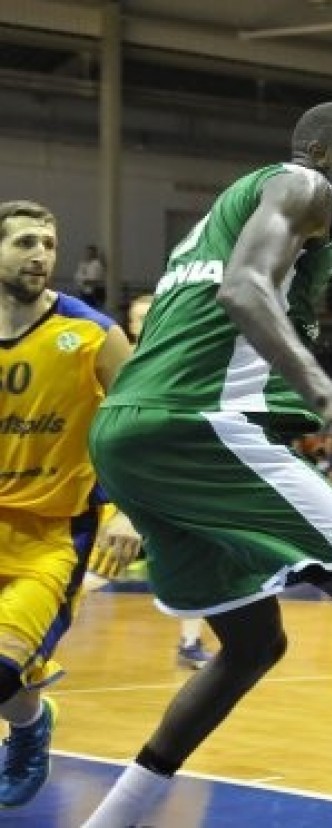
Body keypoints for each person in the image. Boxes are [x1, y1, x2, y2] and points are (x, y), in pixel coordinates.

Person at [82, 102, 332, 828]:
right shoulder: (304, 186)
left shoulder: (227, 212)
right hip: (193, 422)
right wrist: (324, 394)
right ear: (319, 153)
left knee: (251, 645)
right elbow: (242, 288)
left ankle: (110, 820)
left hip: (128, 429)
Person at [0, 200, 142, 809]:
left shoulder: (92, 332)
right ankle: (33, 720)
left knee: (3, 669)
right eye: (24, 242)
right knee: (13, 677)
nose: (40, 255)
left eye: (49, 244)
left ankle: (29, 728)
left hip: (53, 536)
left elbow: (142, 422)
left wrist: (130, 510)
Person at [125, 294, 214, 669]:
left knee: (199, 559)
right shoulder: (119, 361)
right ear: (130, 325)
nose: (146, 322)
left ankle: (190, 644)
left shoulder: (181, 359)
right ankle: (29, 641)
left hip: (177, 479)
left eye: (152, 314)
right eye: (139, 317)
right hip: (129, 478)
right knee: (97, 567)